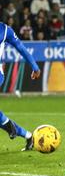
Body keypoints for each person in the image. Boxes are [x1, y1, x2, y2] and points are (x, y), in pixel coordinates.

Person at [0, 22, 41, 151]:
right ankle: (27, 135)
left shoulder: (5, 30)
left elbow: (20, 47)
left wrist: (34, 66)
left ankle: (9, 125)